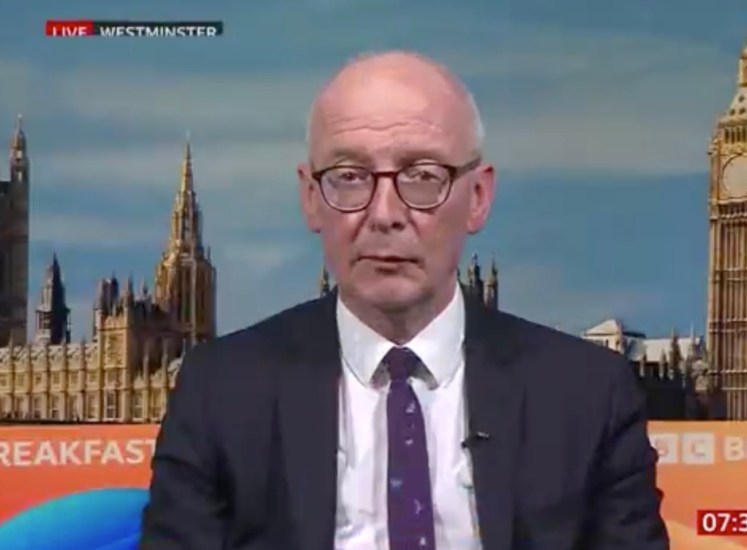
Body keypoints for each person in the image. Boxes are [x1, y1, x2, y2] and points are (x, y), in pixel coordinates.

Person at [139, 50, 669, 550]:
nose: (385, 214)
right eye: (350, 178)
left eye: (422, 177)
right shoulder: (221, 391)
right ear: (311, 199)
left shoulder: (588, 395)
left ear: (478, 197)